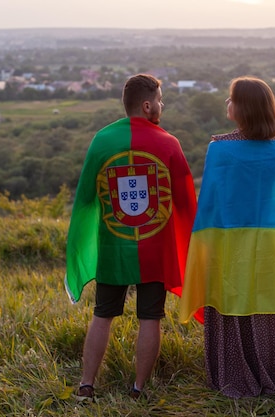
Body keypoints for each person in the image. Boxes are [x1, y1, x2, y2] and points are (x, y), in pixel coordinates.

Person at [65, 74, 197, 401]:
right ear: (148, 104)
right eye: (161, 100)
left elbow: (84, 198)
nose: (162, 106)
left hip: (113, 246)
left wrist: (83, 243)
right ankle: (138, 389)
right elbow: (185, 203)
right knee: (150, 318)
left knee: (102, 315)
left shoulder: (102, 141)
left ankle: (86, 385)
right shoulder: (169, 143)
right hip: (154, 249)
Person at [179, 76, 275, 398]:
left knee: (230, 299)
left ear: (245, 108)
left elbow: (210, 206)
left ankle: (233, 373)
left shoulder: (220, 150)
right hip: (268, 246)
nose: (227, 104)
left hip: (227, 247)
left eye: (231, 99)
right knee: (267, 304)